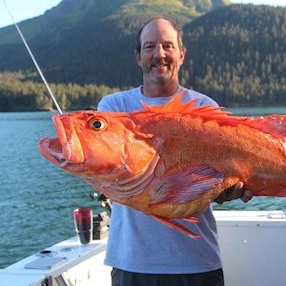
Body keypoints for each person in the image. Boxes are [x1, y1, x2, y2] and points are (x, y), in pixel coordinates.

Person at [97, 16, 252, 286]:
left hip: (196, 263)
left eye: (167, 45)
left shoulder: (204, 107)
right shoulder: (113, 109)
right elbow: (105, 171)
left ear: (181, 54)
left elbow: (216, 182)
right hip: (132, 264)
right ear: (138, 56)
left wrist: (226, 191)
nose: (159, 54)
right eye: (149, 46)